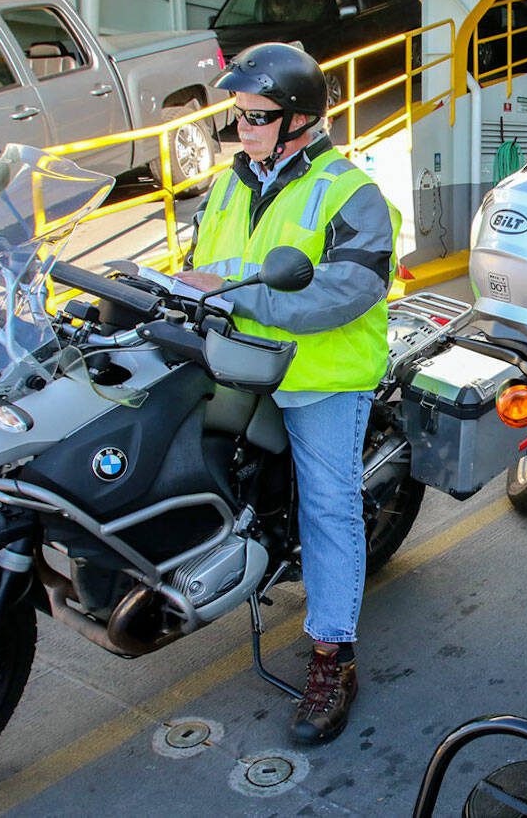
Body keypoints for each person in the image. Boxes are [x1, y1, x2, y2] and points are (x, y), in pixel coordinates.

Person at [180, 41, 399, 746]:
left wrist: (238, 297)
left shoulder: (350, 191)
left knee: (329, 506)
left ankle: (335, 656)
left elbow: (350, 289)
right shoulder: (227, 184)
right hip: (235, 362)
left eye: (256, 117)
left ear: (300, 120)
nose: (240, 131)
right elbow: (198, 269)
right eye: (235, 118)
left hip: (316, 376)